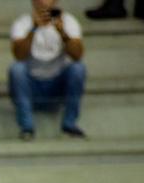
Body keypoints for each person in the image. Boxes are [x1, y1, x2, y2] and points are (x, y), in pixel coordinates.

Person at [9, 0, 86, 140]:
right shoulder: (21, 23)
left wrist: (62, 32)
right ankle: (27, 128)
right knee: (16, 69)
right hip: (32, 87)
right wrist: (34, 28)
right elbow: (18, 55)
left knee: (78, 68)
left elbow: (77, 55)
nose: (43, 2)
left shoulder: (69, 22)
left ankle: (69, 125)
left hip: (58, 87)